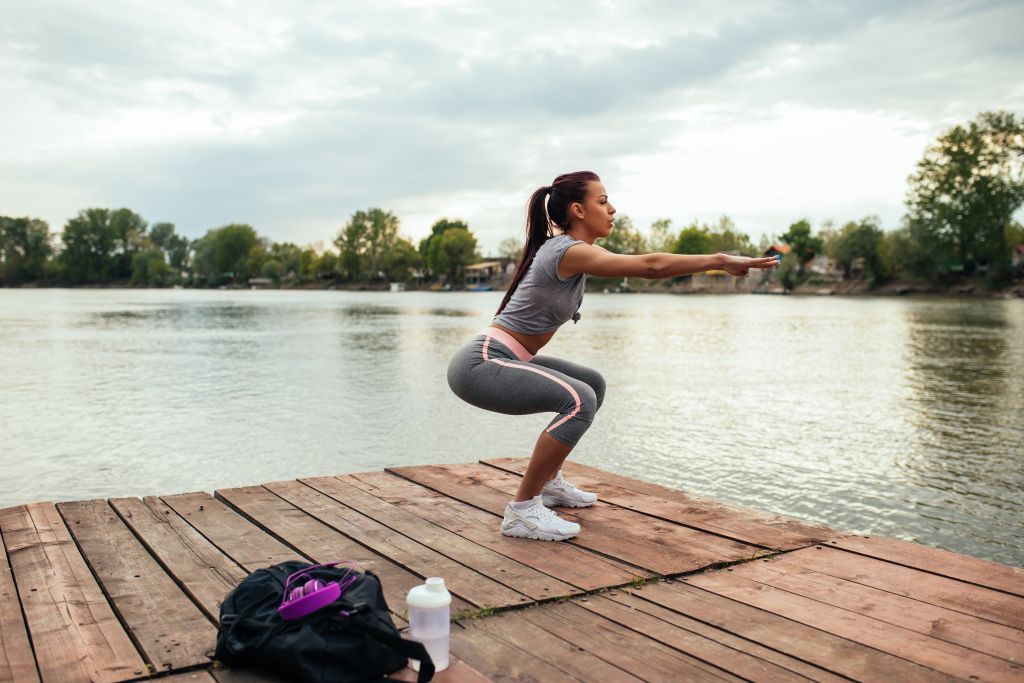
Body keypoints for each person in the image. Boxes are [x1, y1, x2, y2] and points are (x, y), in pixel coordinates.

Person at [446, 171, 779, 541]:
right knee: (579, 400)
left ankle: (549, 484)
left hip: (505, 357)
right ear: (578, 210)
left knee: (592, 384)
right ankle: (522, 512)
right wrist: (719, 259)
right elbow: (651, 266)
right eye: (602, 202)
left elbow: (647, 265)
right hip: (482, 364)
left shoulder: (575, 252)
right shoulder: (566, 251)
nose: (613, 209)